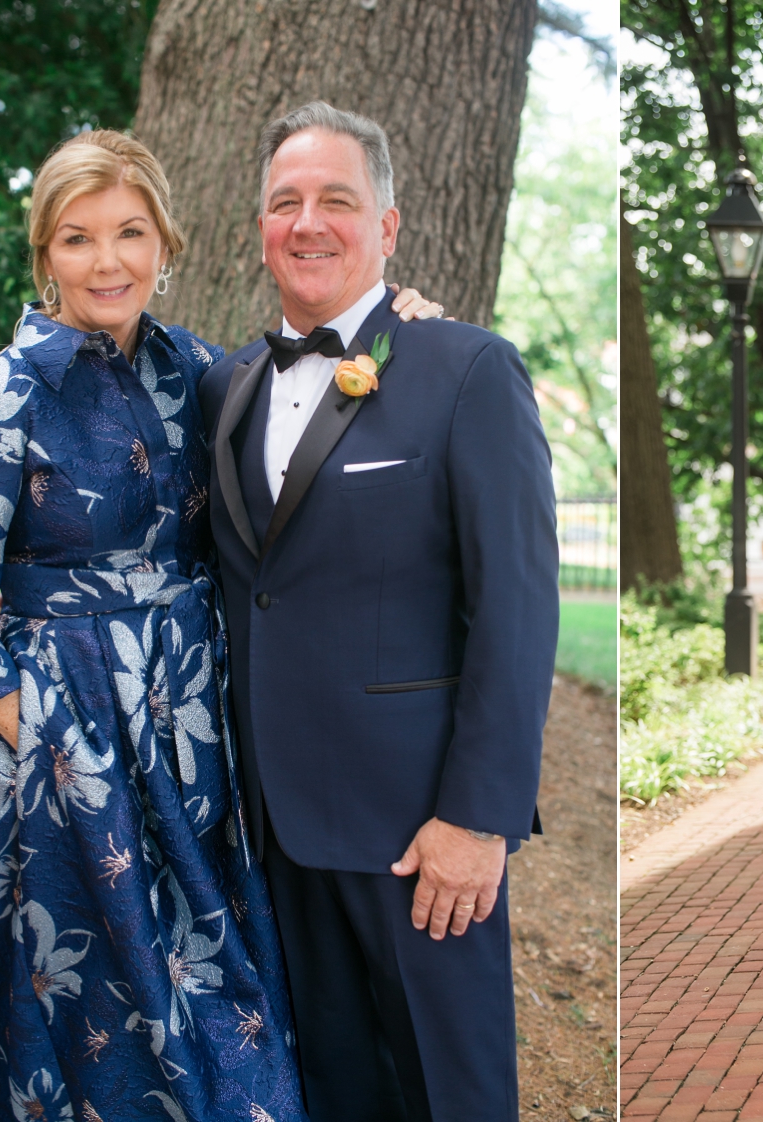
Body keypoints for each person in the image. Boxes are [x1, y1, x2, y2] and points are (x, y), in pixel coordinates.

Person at [0, 129, 438, 1120]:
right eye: (77, 239)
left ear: (167, 244)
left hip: (193, 744)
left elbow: (303, 460)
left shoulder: (202, 373)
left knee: (210, 982)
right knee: (79, 994)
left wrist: (409, 336)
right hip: (62, 752)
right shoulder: (8, 392)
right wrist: (50, 742)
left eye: (129, 233)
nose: (106, 262)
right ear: (45, 255)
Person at [198, 102, 558, 1122]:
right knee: (337, 1094)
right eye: (285, 203)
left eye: (337, 201)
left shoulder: (467, 371)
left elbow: (517, 611)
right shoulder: (227, 389)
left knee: (452, 1095)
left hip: (419, 834)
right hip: (274, 829)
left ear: (388, 228)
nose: (308, 224)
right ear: (260, 227)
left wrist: (477, 818)